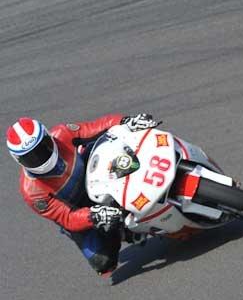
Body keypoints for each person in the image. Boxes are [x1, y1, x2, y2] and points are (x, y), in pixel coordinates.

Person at [6, 113, 160, 276]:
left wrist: (126, 122)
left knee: (116, 139)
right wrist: (95, 215)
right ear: (18, 159)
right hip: (78, 209)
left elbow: (97, 126)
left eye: (43, 147)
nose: (40, 157)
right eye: (31, 157)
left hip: (93, 172)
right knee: (102, 261)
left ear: (47, 136)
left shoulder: (62, 133)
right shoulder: (32, 192)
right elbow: (67, 217)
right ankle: (124, 232)